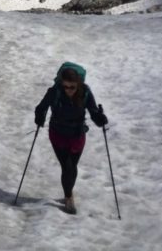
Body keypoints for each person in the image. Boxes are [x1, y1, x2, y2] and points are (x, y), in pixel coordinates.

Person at [34, 62, 108, 215]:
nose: (68, 90)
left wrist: (99, 118)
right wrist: (39, 117)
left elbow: (93, 111)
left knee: (72, 167)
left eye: (72, 87)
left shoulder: (85, 92)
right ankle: (68, 197)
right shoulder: (55, 92)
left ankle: (68, 191)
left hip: (77, 135)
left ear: (78, 84)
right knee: (67, 166)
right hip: (58, 134)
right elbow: (41, 107)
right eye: (66, 86)